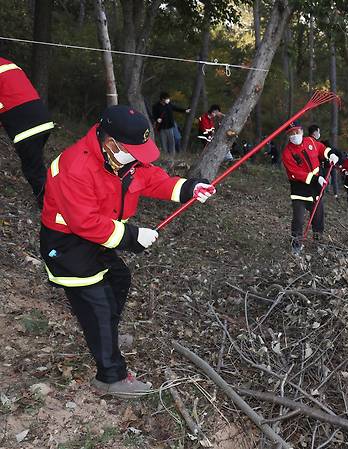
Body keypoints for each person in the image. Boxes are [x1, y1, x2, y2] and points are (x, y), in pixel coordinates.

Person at [40, 105, 216, 398]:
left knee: (119, 279)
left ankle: (105, 334)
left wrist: (190, 188)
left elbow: (155, 180)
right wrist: (133, 236)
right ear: (111, 144)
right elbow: (84, 223)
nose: (139, 159)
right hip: (67, 244)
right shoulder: (74, 167)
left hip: (100, 237)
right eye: (135, 151)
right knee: (97, 302)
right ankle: (110, 376)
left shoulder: (124, 161)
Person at [0, 56, 54, 205]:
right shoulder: (8, 64)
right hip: (43, 118)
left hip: (26, 127)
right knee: (35, 162)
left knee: (33, 169)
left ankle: (49, 205)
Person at [282, 121, 339, 254]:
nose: (295, 135)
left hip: (316, 189)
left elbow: (322, 149)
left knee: (318, 218)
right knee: (299, 219)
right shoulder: (287, 153)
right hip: (300, 190)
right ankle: (296, 245)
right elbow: (295, 173)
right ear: (288, 136)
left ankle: (318, 243)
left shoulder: (310, 141)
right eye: (292, 133)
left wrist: (330, 154)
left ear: (301, 131)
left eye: (297, 132)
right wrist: (315, 178)